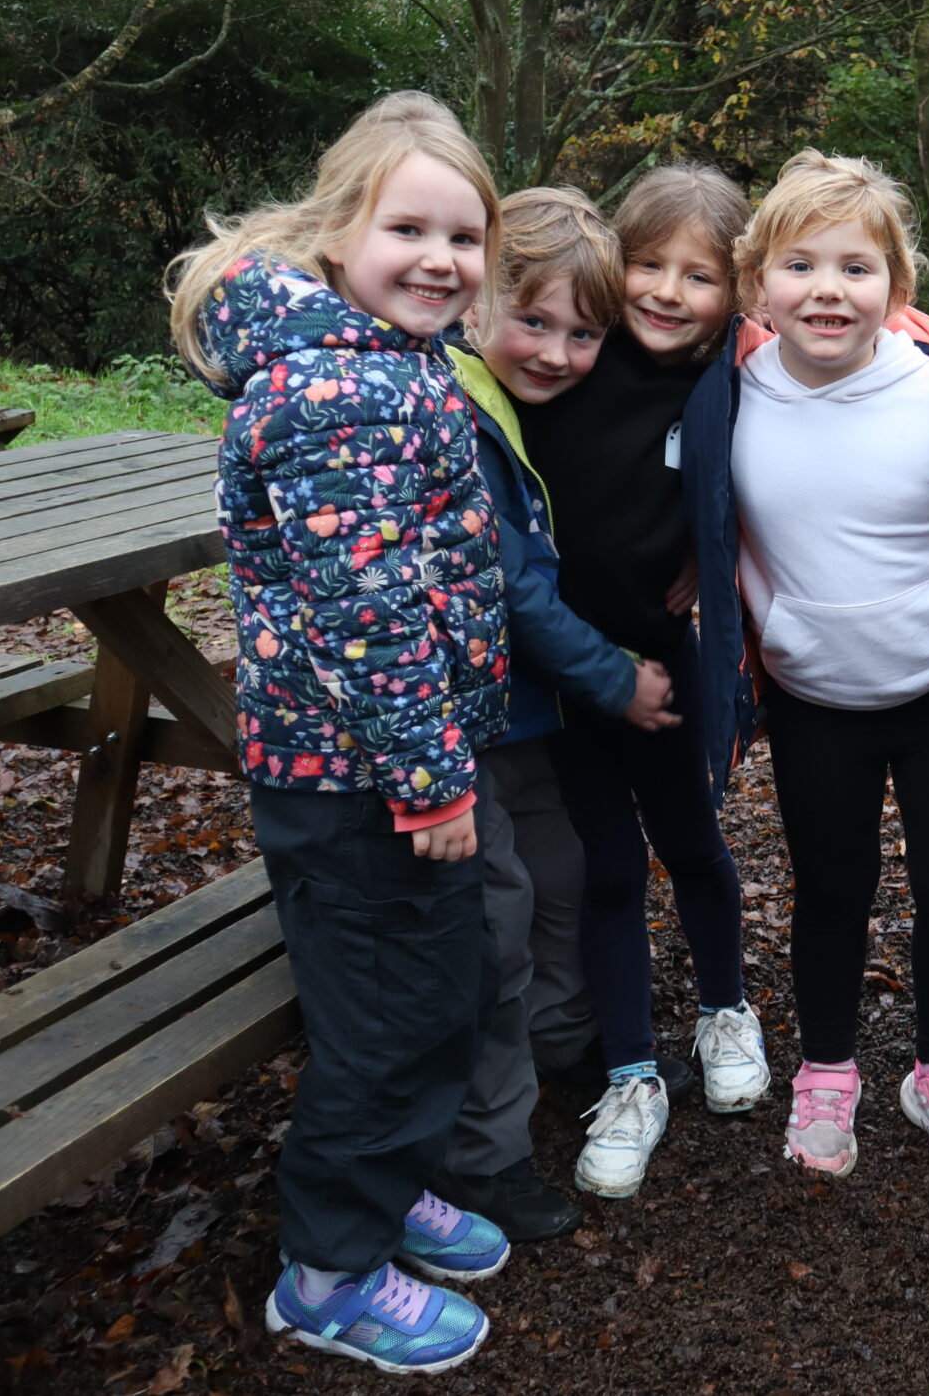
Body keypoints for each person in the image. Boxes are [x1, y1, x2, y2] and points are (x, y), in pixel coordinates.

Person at [168, 91, 511, 1373]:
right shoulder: (331, 386)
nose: (440, 259)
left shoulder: (383, 358)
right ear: (336, 233)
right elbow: (362, 608)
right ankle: (326, 1274)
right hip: (366, 778)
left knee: (426, 994)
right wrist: (429, 780)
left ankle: (385, 1193)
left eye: (463, 237)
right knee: (383, 1020)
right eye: (407, 228)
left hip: (386, 766)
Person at [684, 149, 929, 1179]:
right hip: (811, 694)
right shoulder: (725, 395)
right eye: (799, 265)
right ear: (757, 288)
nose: (827, 289)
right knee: (831, 888)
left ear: (897, 286)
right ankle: (826, 1072)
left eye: (855, 267)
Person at [510, 164, 765, 1202]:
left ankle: (724, 1009)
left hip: (672, 662)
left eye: (697, 275)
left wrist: (722, 541)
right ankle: (629, 1074)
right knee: (604, 868)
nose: (666, 291)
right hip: (570, 671)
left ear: (734, 289)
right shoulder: (572, 359)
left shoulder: (734, 379)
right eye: (647, 263)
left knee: (696, 846)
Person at [438, 188, 679, 1233]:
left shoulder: (504, 403)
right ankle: (483, 1146)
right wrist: (614, 677)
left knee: (564, 868)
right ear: (476, 299)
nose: (556, 352)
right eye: (532, 320)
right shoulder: (450, 405)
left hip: (513, 714)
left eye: (583, 333)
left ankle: (563, 1043)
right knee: (495, 912)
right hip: (460, 718)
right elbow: (510, 587)